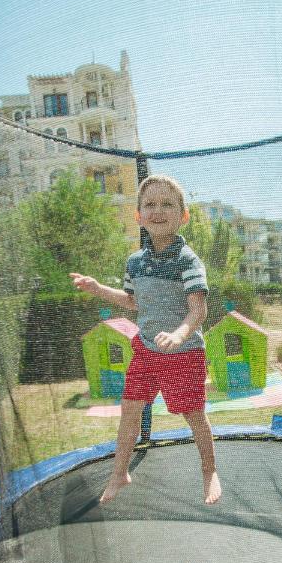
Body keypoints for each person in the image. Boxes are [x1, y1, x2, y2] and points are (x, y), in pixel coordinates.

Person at [70, 174, 222, 505]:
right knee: (130, 409)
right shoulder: (135, 261)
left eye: (167, 204)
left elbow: (199, 310)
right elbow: (133, 302)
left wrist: (180, 333)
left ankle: (209, 470)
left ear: (183, 216)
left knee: (193, 413)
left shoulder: (187, 260)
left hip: (184, 353)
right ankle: (119, 473)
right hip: (147, 351)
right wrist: (98, 289)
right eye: (149, 204)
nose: (157, 210)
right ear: (138, 215)